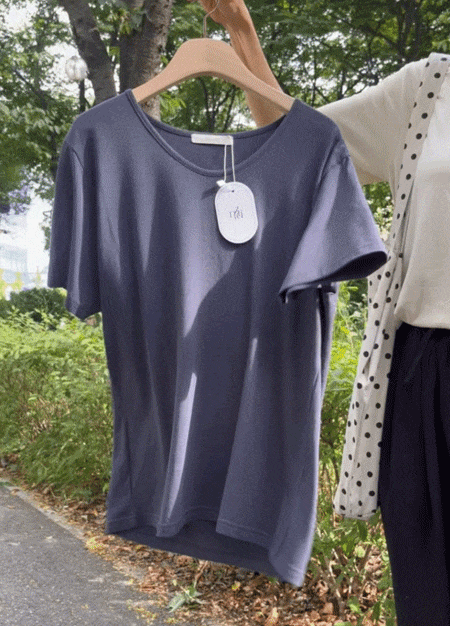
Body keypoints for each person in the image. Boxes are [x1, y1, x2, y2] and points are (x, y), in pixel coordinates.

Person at [187, 1, 450, 625]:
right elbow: (297, 146)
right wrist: (242, 33)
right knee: (430, 596)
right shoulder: (429, 89)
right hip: (430, 373)